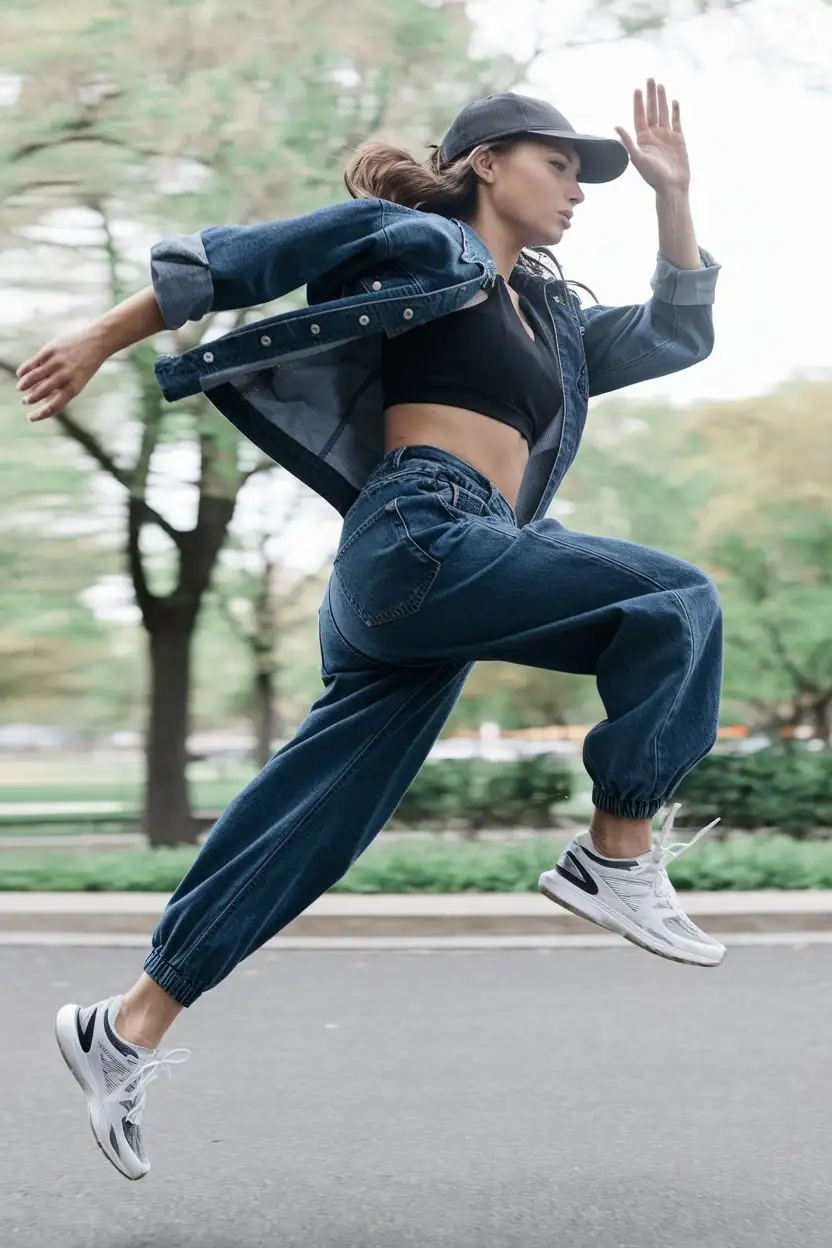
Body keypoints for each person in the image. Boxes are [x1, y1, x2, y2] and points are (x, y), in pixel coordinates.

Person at [19, 79, 724, 1182]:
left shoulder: (551, 328)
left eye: (589, 179)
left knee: (313, 822)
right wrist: (101, 337)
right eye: (558, 165)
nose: (578, 190)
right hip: (420, 534)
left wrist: (672, 197)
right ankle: (615, 854)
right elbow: (239, 259)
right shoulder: (413, 240)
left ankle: (126, 1025)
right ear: (486, 162)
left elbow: (680, 332)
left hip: (433, 575)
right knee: (675, 600)